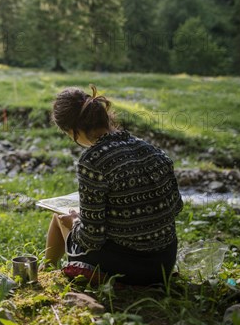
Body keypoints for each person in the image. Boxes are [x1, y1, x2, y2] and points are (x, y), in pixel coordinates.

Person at [44, 85, 184, 286]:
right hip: (164, 263)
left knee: (61, 217)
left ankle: (47, 270)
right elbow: (176, 207)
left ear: (74, 131)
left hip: (128, 269)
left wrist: (74, 222)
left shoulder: (93, 161)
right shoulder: (151, 149)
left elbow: (91, 238)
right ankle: (48, 269)